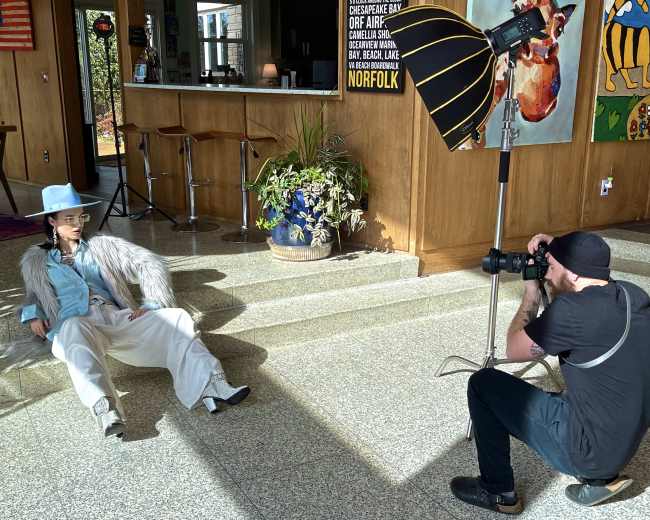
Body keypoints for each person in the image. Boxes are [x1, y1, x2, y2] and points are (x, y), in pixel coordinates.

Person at [20, 183, 250, 439]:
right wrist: (32, 314)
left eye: (81, 216)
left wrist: (152, 301)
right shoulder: (37, 259)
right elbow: (33, 292)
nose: (78, 224)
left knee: (177, 318)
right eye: (69, 218)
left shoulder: (100, 246)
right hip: (73, 325)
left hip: (114, 316)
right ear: (52, 221)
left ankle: (212, 385)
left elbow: (149, 262)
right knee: (74, 327)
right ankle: (105, 408)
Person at [450, 231, 650, 514]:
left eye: (552, 268)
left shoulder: (571, 311)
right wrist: (559, 248)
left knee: (484, 384)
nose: (548, 274)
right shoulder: (634, 295)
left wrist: (531, 294)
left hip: (587, 452)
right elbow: (582, 269)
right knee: (573, 393)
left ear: (574, 274)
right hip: (623, 445)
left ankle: (497, 492)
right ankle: (600, 479)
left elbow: (514, 350)